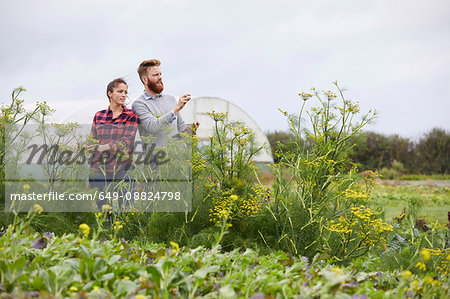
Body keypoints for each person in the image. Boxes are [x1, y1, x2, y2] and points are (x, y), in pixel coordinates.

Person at [87, 78, 138, 211]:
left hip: (122, 169)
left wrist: (105, 147)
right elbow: (93, 140)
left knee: (126, 210)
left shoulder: (130, 115)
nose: (124, 95)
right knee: (104, 211)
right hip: (99, 170)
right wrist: (85, 147)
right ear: (110, 93)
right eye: (120, 91)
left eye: (125, 92)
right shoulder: (99, 115)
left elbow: (127, 141)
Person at [132, 59, 191, 148]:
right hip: (156, 159)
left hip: (177, 158)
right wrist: (176, 109)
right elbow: (153, 126)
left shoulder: (170, 99)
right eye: (156, 75)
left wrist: (190, 131)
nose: (160, 77)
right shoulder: (139, 104)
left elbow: (180, 127)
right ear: (145, 79)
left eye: (160, 74)